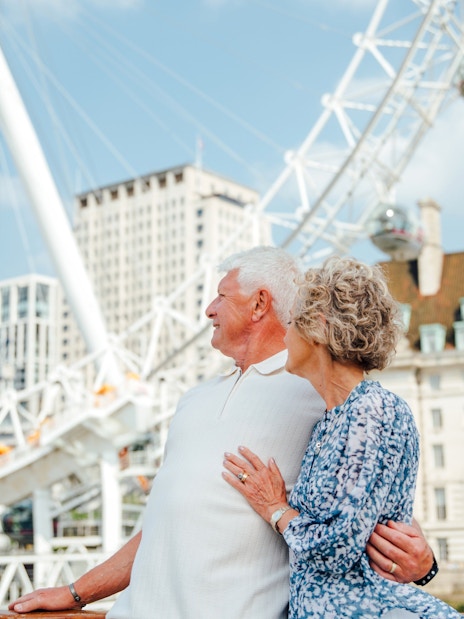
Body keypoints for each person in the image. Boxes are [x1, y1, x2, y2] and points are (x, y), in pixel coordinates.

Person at [9, 248, 436, 619]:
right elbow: (161, 525)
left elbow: (370, 510)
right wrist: (75, 592)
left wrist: (425, 563)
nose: (209, 309)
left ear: (259, 305)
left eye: (221, 295)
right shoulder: (192, 400)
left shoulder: (322, 398)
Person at [223, 256, 458, 619]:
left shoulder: (373, 410)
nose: (285, 336)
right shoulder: (332, 419)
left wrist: (276, 509)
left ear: (317, 327)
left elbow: (338, 546)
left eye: (291, 324)